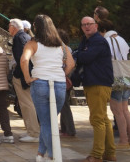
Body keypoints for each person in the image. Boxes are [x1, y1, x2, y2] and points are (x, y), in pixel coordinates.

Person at [21, 14, 75, 162]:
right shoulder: (62, 45)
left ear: (36, 27)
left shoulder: (32, 44)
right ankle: (40, 155)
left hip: (40, 83)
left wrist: (27, 78)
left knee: (45, 123)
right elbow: (71, 64)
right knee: (50, 122)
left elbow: (24, 60)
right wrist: (60, 75)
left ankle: (52, 156)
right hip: (59, 84)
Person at [75, 16, 115, 162]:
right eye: (84, 25)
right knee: (103, 119)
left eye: (89, 24)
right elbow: (82, 54)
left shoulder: (98, 41)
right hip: (94, 83)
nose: (86, 27)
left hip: (98, 83)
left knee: (97, 119)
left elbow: (86, 58)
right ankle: (110, 153)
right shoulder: (87, 41)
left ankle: (97, 154)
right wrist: (79, 54)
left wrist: (76, 55)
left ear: (96, 26)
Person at [100, 20, 130, 150]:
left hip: (115, 77)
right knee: (125, 109)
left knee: (117, 110)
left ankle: (123, 141)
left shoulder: (107, 41)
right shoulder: (121, 39)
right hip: (126, 77)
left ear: (103, 30)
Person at [8, 18, 39, 142]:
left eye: (9, 26)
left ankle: (34, 133)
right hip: (25, 75)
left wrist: (21, 76)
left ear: (14, 27)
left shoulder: (19, 38)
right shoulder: (25, 36)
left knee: (27, 104)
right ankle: (30, 131)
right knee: (26, 104)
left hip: (23, 76)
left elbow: (23, 59)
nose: (8, 29)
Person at [57, 28, 76, 138]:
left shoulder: (62, 48)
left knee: (64, 105)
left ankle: (70, 129)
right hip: (66, 77)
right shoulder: (67, 48)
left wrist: (62, 75)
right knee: (64, 104)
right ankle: (65, 128)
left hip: (62, 77)